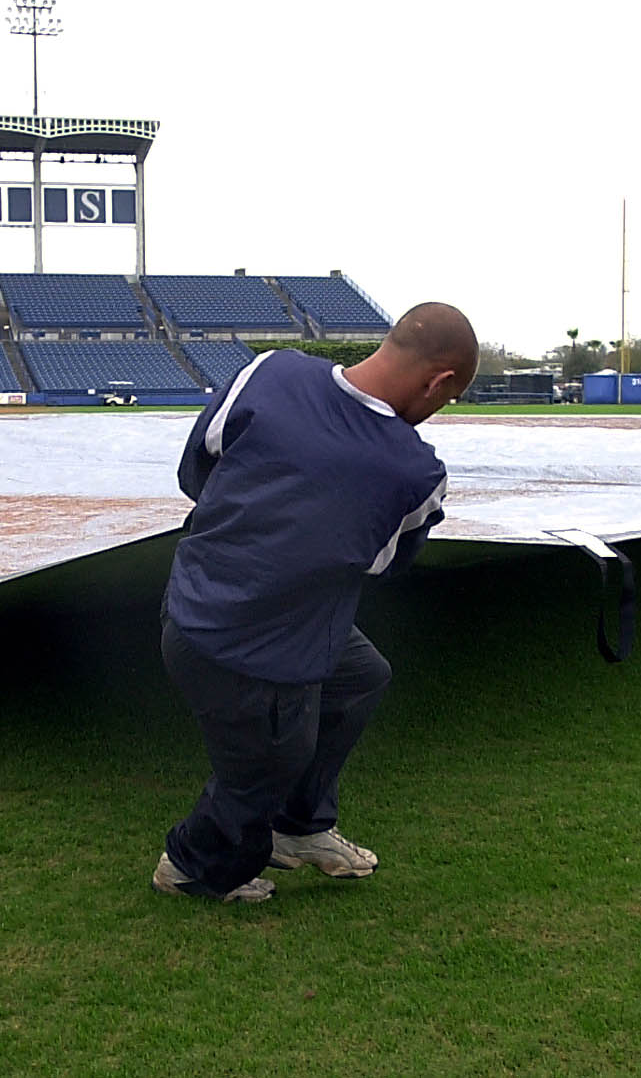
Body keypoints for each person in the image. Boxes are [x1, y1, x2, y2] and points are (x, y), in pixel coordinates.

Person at [153, 302, 478, 903]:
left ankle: (299, 828)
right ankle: (190, 866)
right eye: (447, 399)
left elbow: (197, 471)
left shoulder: (269, 371)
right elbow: (386, 564)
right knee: (264, 768)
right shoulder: (412, 470)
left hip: (197, 605)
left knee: (359, 678)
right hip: (245, 648)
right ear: (439, 382)